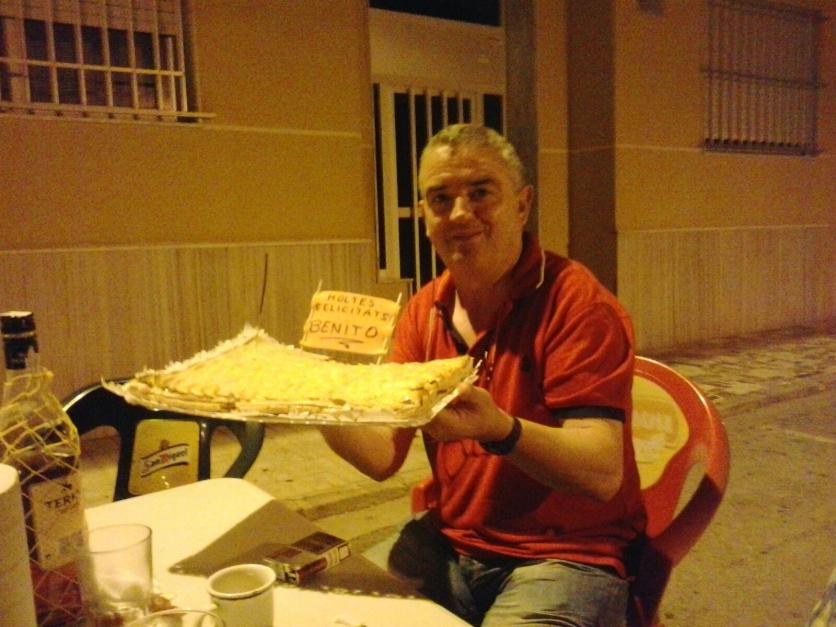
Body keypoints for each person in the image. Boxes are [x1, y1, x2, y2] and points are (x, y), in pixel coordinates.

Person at [320, 124, 645, 626]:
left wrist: (500, 430)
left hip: (567, 556)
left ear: (522, 205)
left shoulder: (576, 305)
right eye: (440, 199)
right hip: (451, 544)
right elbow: (383, 455)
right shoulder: (425, 310)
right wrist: (313, 401)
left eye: (480, 193)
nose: (459, 214)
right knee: (328, 613)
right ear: (425, 217)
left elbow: (601, 473)